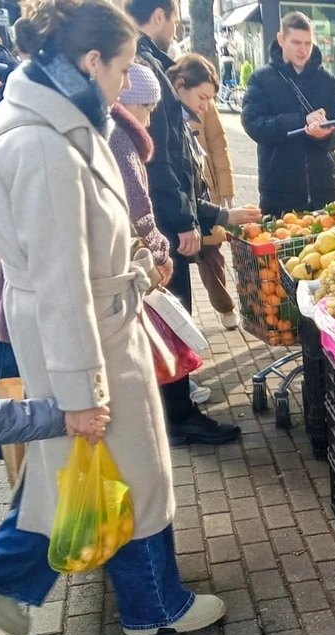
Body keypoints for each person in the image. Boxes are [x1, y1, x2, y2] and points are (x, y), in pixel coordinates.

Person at [0, 0, 227, 635]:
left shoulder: (63, 120)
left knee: (86, 477)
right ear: (91, 61)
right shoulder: (45, 143)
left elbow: (84, 246)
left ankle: (19, 583)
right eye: (123, 68)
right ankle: (153, 606)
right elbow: (62, 281)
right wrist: (81, 393)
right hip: (88, 338)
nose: (127, 83)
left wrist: (136, 260)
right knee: (119, 475)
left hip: (99, 324)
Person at [127, 0, 256, 445]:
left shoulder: (155, 71)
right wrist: (184, 222)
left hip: (172, 221)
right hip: (166, 228)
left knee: (171, 315)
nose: (204, 109)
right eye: (201, 99)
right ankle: (178, 414)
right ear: (157, 15)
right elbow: (161, 168)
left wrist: (219, 213)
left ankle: (175, 405)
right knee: (172, 314)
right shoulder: (149, 76)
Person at [242, 10, 335, 217]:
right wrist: (301, 121)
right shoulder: (261, 79)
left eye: (308, 43)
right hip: (280, 191)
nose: (303, 50)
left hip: (326, 189)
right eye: (296, 43)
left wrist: (327, 135)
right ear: (281, 39)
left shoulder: (326, 80)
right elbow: (254, 124)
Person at [168, 53, 239, 329]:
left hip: (205, 195)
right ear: (180, 85)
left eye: (211, 98)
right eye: (203, 97)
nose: (206, 105)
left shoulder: (206, 109)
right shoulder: (168, 113)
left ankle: (224, 307)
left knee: (211, 256)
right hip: (182, 203)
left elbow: (219, 148)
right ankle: (180, 325)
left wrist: (226, 192)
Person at [109, 61, 174, 285]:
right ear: (131, 102)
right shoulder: (120, 140)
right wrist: (159, 251)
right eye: (148, 108)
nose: (148, 120)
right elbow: (137, 203)